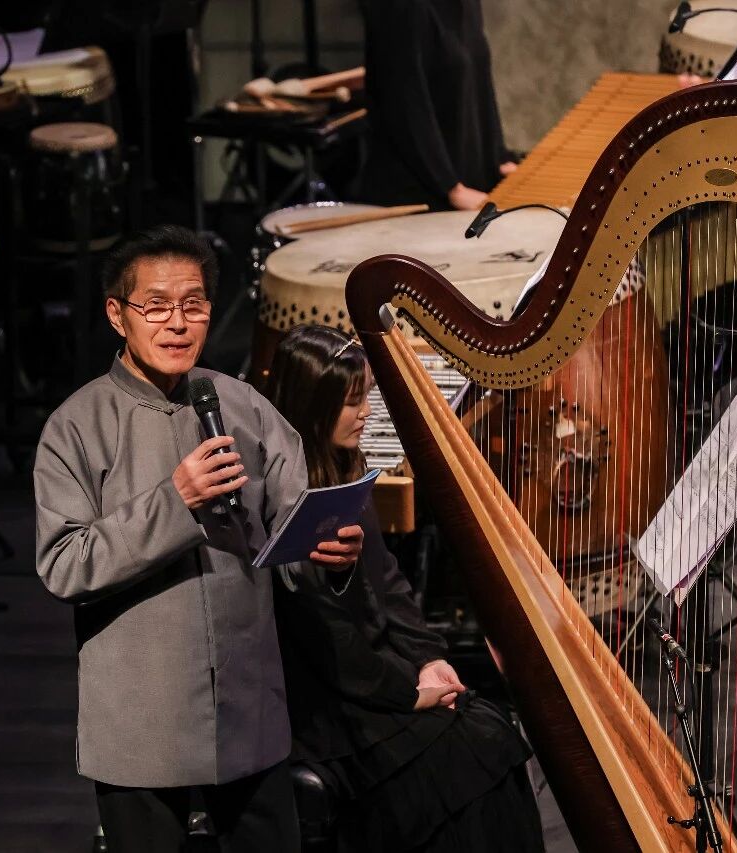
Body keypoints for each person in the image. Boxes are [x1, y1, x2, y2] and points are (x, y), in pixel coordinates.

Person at [33, 226, 363, 853]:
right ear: (117, 315)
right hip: (142, 721)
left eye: (194, 304)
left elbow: (292, 537)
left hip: (247, 706)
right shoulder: (76, 426)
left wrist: (330, 557)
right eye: (157, 306)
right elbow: (65, 566)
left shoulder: (245, 407)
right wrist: (174, 499)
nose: (178, 323)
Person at [264, 324, 545, 852]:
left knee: (492, 733)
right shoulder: (285, 492)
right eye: (352, 402)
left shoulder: (346, 465)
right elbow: (323, 635)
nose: (366, 412)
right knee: (473, 750)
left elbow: (387, 579)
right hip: (329, 699)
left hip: (372, 671)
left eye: (366, 397)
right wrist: (407, 692)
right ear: (314, 405)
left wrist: (427, 657)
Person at [357, 0, 517, 211]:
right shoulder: (399, 7)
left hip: (466, 185)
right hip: (416, 197)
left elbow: (480, 86)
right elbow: (406, 106)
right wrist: (450, 187)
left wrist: (499, 158)